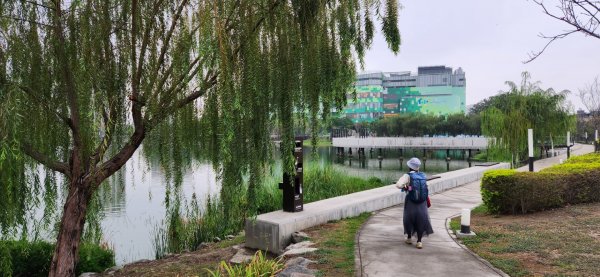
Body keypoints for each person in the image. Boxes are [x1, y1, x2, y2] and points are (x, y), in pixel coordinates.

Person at [395, 157, 434, 249]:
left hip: (411, 201)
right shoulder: (423, 175)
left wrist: (407, 187)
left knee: (409, 218)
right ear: (418, 167)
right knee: (421, 219)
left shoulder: (407, 176)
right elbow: (427, 187)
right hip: (422, 202)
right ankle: (419, 241)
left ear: (409, 166)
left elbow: (398, 185)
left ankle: (409, 238)